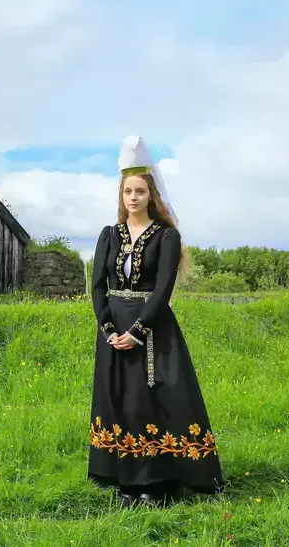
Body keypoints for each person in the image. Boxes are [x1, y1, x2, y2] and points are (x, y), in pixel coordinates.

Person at [86, 135, 224, 508]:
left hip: (153, 331)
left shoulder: (167, 237)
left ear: (151, 196)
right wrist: (110, 329)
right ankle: (124, 479)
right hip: (114, 331)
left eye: (140, 192)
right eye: (128, 191)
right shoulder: (108, 235)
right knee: (120, 402)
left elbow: (163, 290)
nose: (133, 198)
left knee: (155, 402)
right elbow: (97, 286)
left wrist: (137, 332)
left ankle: (158, 483)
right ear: (121, 195)